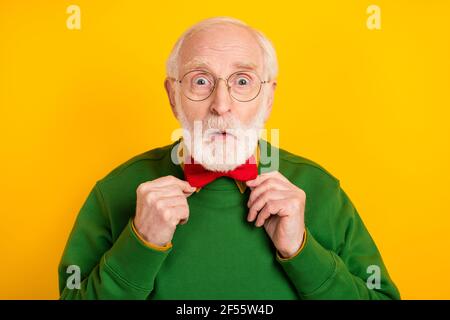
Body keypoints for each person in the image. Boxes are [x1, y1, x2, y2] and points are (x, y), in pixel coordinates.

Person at [58, 17, 400, 300]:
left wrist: (302, 250)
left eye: (242, 81)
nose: (221, 104)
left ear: (267, 98)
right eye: (201, 81)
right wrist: (139, 245)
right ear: (173, 97)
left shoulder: (321, 190)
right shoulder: (114, 192)